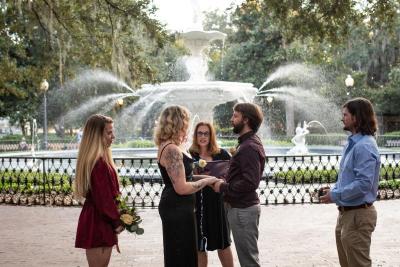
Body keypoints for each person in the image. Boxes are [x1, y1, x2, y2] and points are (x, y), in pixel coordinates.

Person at [154, 105, 219, 267]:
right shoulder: (172, 150)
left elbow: (184, 177)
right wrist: (207, 182)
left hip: (179, 206)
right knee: (181, 255)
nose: (188, 126)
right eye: (186, 122)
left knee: (184, 254)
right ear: (179, 123)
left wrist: (207, 177)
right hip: (177, 208)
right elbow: (181, 187)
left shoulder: (168, 146)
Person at [320, 97, 380, 267]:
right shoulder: (353, 144)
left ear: (356, 117)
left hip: (358, 215)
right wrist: (332, 191)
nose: (342, 118)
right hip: (346, 214)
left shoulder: (364, 146)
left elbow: (363, 184)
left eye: (345, 115)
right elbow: (348, 178)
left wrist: (336, 195)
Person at [213, 102, 266, 267]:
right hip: (239, 208)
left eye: (235, 116)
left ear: (246, 120)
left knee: (249, 261)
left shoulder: (249, 146)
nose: (231, 119)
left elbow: (250, 182)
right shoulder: (246, 143)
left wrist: (223, 187)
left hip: (243, 210)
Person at [74, 114, 124, 267]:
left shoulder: (100, 160)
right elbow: (104, 200)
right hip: (99, 223)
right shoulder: (98, 164)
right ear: (97, 136)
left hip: (99, 221)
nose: (113, 136)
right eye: (109, 133)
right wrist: (117, 222)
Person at [189, 122, 234, 267]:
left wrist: (221, 180)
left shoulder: (221, 153)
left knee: (223, 243)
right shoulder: (190, 154)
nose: (202, 136)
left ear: (211, 135)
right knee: (199, 246)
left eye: (206, 133)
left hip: (217, 203)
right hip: (197, 204)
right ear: (195, 136)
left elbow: (231, 176)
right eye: (199, 133)